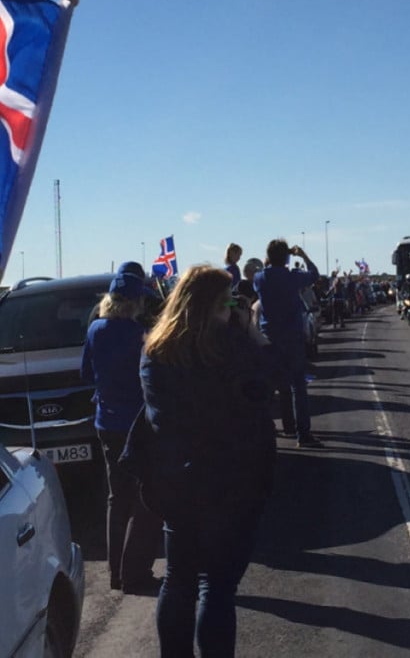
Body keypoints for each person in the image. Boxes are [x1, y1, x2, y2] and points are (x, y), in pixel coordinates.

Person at [140, 265, 276, 658]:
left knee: (178, 579)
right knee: (216, 587)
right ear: (214, 306)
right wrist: (251, 330)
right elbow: (273, 378)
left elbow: (161, 420)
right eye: (228, 300)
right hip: (234, 481)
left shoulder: (156, 351)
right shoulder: (233, 348)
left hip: (179, 481)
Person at [80, 269, 162, 594]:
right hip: (137, 425)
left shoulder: (95, 330)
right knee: (144, 499)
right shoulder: (140, 334)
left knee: (117, 498)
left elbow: (86, 373)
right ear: (135, 302)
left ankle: (116, 573)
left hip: (106, 423)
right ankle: (135, 571)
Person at [253, 239, 323, 448]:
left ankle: (274, 429)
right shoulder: (292, 278)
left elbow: (266, 270)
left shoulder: (260, 278)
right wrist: (302, 255)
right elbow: (314, 274)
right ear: (286, 258)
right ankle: (303, 434)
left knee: (272, 388)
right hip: (291, 337)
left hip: (269, 337)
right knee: (298, 388)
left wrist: (275, 258)